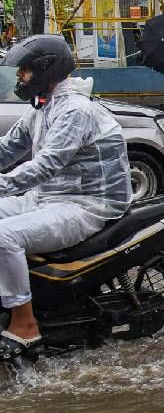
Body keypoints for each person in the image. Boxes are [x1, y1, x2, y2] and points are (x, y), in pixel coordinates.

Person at [0, 35, 132, 362]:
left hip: (86, 205)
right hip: (48, 198)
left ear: (46, 71)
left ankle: (25, 324)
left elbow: (46, 165)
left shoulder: (75, 109)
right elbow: (7, 150)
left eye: (25, 71)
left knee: (3, 237)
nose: (20, 77)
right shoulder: (42, 108)